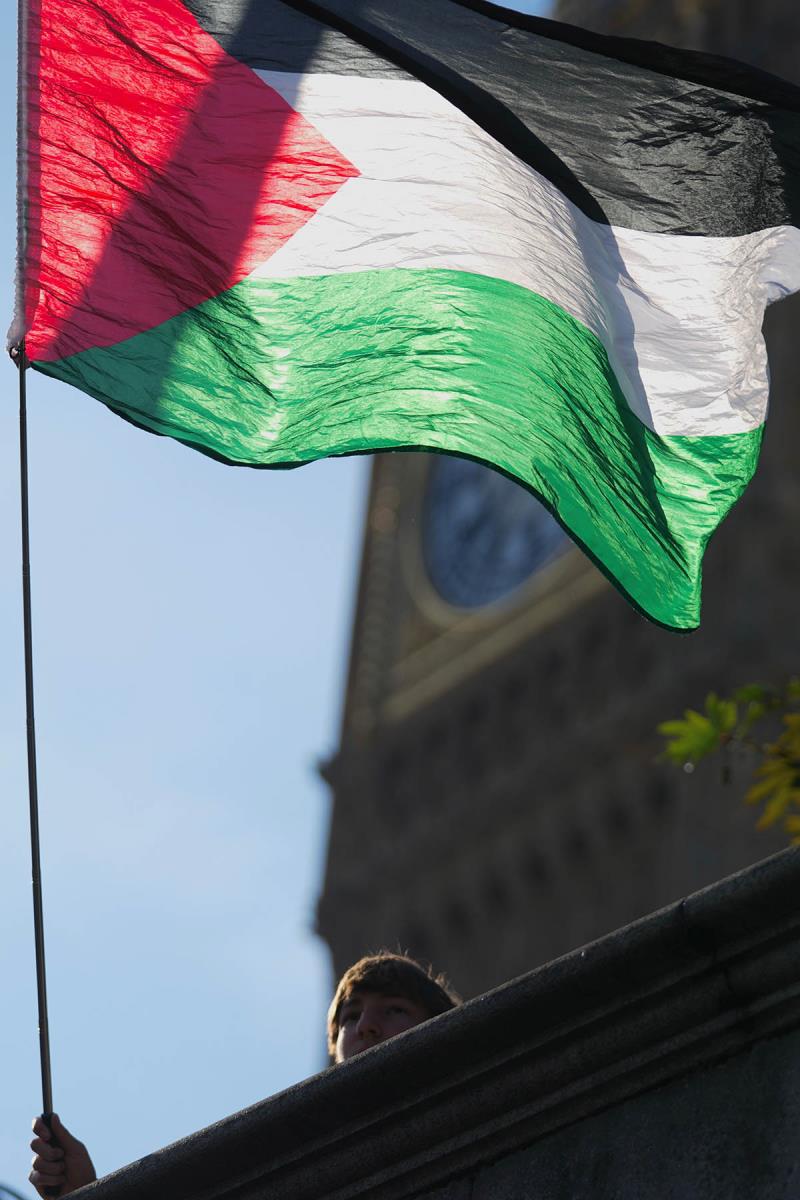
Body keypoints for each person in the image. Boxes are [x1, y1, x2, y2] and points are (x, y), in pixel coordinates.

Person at [30, 951, 460, 1198]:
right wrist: (85, 1192)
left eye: (394, 1010)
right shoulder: (294, 1159)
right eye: (350, 1016)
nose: (366, 1026)